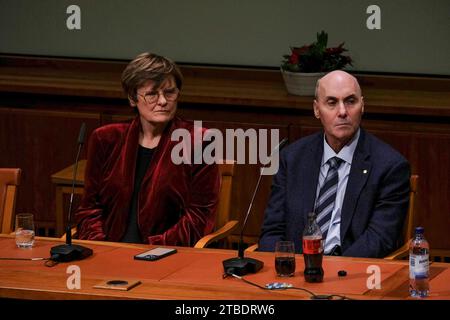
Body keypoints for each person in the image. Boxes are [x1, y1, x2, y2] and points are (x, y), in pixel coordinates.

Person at [259, 70, 410, 258]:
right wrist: (284, 269)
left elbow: (380, 238)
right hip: (295, 272)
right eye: (332, 102)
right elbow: (272, 231)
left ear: (362, 106)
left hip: (352, 274)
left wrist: (334, 272)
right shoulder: (292, 158)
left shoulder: (389, 166)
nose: (342, 112)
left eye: (350, 101)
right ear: (316, 109)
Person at [75, 52, 221, 246]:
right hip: (108, 251)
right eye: (152, 94)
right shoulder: (105, 139)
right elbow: (89, 209)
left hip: (167, 255)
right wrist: (104, 249)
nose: (162, 101)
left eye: (169, 92)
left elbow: (198, 218)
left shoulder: (200, 141)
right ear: (132, 98)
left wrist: (152, 249)